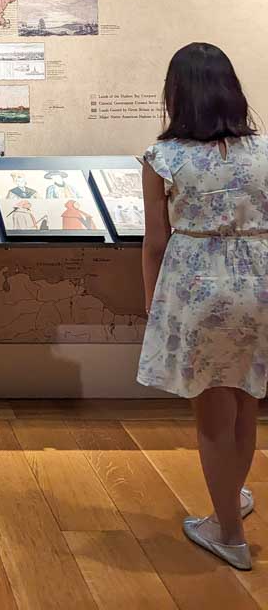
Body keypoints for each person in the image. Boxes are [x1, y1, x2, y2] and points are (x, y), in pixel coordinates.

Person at [139, 42, 268, 572]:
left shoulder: (164, 157)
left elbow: (155, 243)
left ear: (176, 94)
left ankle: (228, 532)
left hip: (198, 283)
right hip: (259, 280)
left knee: (212, 412)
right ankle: (231, 496)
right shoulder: (264, 151)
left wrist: (154, 306)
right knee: (246, 398)